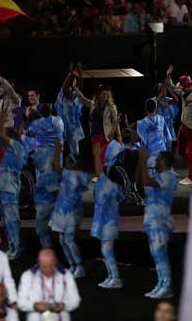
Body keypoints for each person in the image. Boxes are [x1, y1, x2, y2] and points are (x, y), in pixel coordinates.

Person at [25, 104, 65, 248]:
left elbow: (27, 133)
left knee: (46, 195)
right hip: (56, 159)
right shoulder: (58, 121)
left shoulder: (35, 126)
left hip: (45, 163)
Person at [139, 149, 178, 299]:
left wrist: (143, 161)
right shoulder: (158, 176)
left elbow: (146, 181)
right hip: (152, 220)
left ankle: (166, 287)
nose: (155, 161)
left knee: (161, 256)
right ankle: (161, 284)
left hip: (160, 222)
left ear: (165, 162)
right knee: (157, 257)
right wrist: (140, 163)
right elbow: (141, 182)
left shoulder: (169, 176)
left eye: (158, 159)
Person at [0, 107, 27, 259]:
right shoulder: (11, 146)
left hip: (11, 188)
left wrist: (0, 120)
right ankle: (13, 246)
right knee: (6, 220)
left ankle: (17, 248)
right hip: (6, 187)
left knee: (11, 220)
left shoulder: (16, 146)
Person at [49, 142, 89, 279]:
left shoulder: (74, 175)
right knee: (62, 240)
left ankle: (80, 267)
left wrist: (57, 152)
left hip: (71, 213)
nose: (66, 164)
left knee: (69, 240)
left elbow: (56, 167)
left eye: (68, 162)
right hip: (62, 211)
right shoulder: (74, 174)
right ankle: (72, 265)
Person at [165, 66, 192, 185]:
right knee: (181, 150)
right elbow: (173, 87)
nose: (181, 89)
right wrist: (168, 75)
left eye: (183, 86)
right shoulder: (184, 92)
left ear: (188, 86)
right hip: (184, 126)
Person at [17, 249, 81, 321]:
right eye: (44, 267)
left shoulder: (66, 275)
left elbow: (75, 300)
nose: (47, 270)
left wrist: (64, 305)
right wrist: (34, 306)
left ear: (55, 261)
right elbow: (20, 302)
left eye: (50, 266)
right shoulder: (28, 276)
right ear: (38, 263)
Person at [75, 81, 120, 181]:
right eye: (103, 94)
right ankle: (99, 174)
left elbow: (115, 122)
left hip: (105, 135)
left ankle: (103, 175)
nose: (105, 96)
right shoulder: (93, 104)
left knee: (102, 155)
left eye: (106, 94)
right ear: (98, 95)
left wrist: (119, 135)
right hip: (95, 134)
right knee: (96, 156)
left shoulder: (112, 107)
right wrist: (75, 88)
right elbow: (82, 98)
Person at [91, 162, 126, 289]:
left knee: (106, 251)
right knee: (106, 250)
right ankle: (111, 277)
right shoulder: (116, 186)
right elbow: (121, 198)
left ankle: (115, 278)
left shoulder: (100, 183)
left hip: (104, 223)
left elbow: (95, 197)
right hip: (110, 222)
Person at [0, 65, 22, 172]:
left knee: (10, 159)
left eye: (1, 87)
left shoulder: (16, 100)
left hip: (11, 134)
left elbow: (9, 88)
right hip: (1, 133)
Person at [54, 67, 86, 162]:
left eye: (71, 88)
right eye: (69, 88)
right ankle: (59, 168)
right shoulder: (62, 95)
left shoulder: (74, 96)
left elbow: (80, 88)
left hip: (72, 126)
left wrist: (80, 75)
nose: (69, 90)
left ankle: (72, 167)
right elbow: (64, 86)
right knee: (59, 149)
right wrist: (70, 74)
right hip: (62, 125)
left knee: (76, 152)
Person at [136, 99, 168, 173]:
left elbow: (143, 142)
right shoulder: (162, 119)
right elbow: (167, 137)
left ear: (145, 108)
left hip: (150, 156)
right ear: (156, 108)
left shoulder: (141, 123)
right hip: (162, 154)